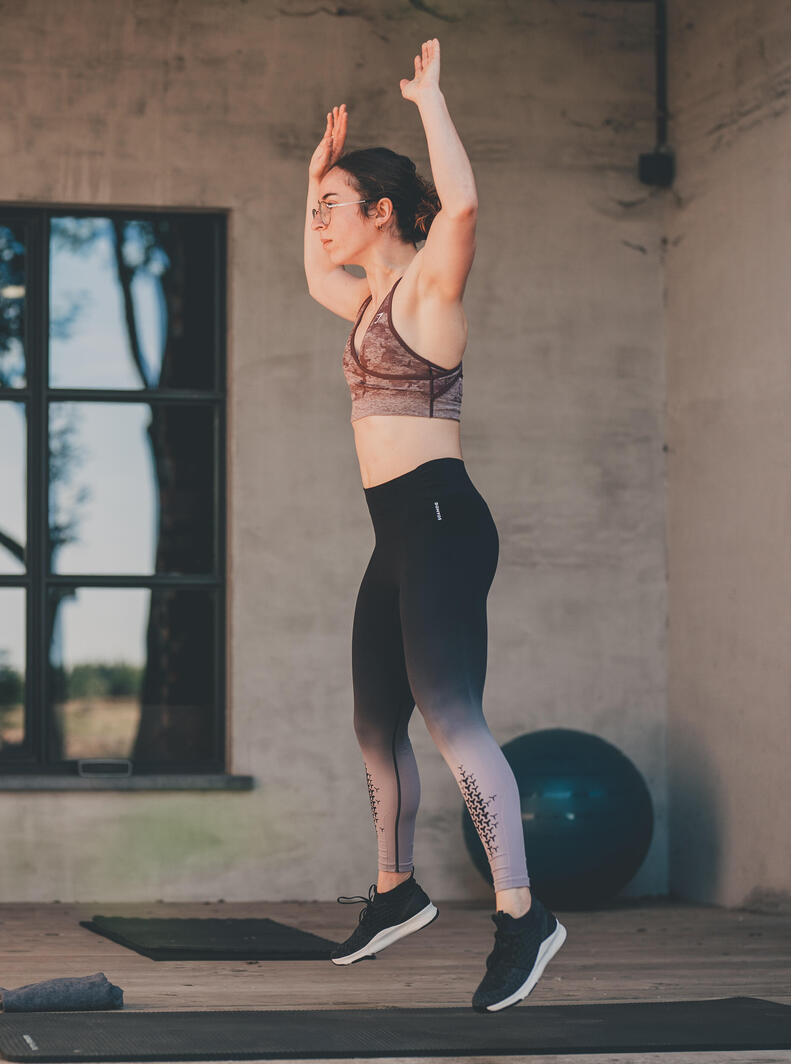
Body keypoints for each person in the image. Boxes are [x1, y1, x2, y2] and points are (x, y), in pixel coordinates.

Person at [306, 39, 564, 1012]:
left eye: (335, 204)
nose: (321, 221)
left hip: (443, 519)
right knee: (377, 721)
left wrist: (429, 102)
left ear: (379, 211)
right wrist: (308, 176)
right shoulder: (366, 299)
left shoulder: (425, 291)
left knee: (454, 721)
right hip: (397, 530)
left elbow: (459, 205)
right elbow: (310, 268)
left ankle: (522, 913)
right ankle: (395, 889)